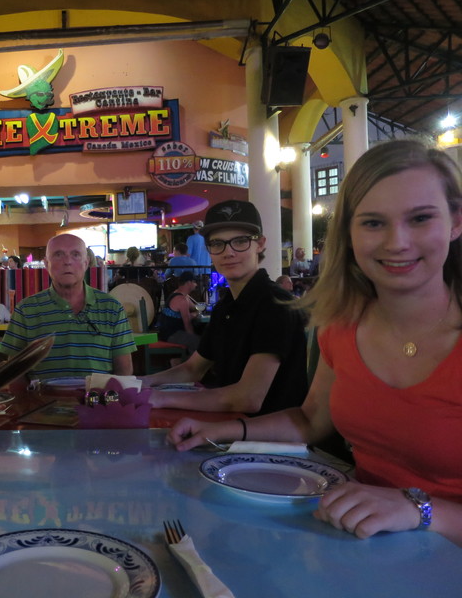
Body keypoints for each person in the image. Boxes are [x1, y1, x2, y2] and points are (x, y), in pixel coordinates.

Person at [168, 140, 462, 546]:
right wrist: (222, 431)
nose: (397, 242)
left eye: (421, 218)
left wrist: (419, 509)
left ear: (455, 222)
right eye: (373, 223)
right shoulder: (341, 325)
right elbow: (310, 420)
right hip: (357, 543)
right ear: (349, 234)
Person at [142, 199, 308, 416]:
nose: (228, 252)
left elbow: (248, 398)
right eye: (217, 243)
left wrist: (161, 398)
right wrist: (141, 382)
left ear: (260, 244)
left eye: (240, 241)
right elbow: (192, 369)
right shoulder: (226, 307)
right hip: (230, 425)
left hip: (269, 433)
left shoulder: (276, 304)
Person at [0, 233, 136, 379]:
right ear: (46, 263)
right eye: (58, 255)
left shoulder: (112, 308)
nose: (67, 262)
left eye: (75, 255)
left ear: (86, 263)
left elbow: (124, 371)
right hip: (43, 394)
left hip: (99, 394)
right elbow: (14, 374)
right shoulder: (26, 310)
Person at [157, 271, 201, 354]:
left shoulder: (180, 294)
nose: (196, 284)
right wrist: (193, 337)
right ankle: (187, 361)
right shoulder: (181, 299)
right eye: (194, 282)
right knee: (197, 341)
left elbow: (195, 307)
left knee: (199, 337)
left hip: (168, 332)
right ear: (189, 283)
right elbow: (188, 325)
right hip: (171, 335)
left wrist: (194, 313)